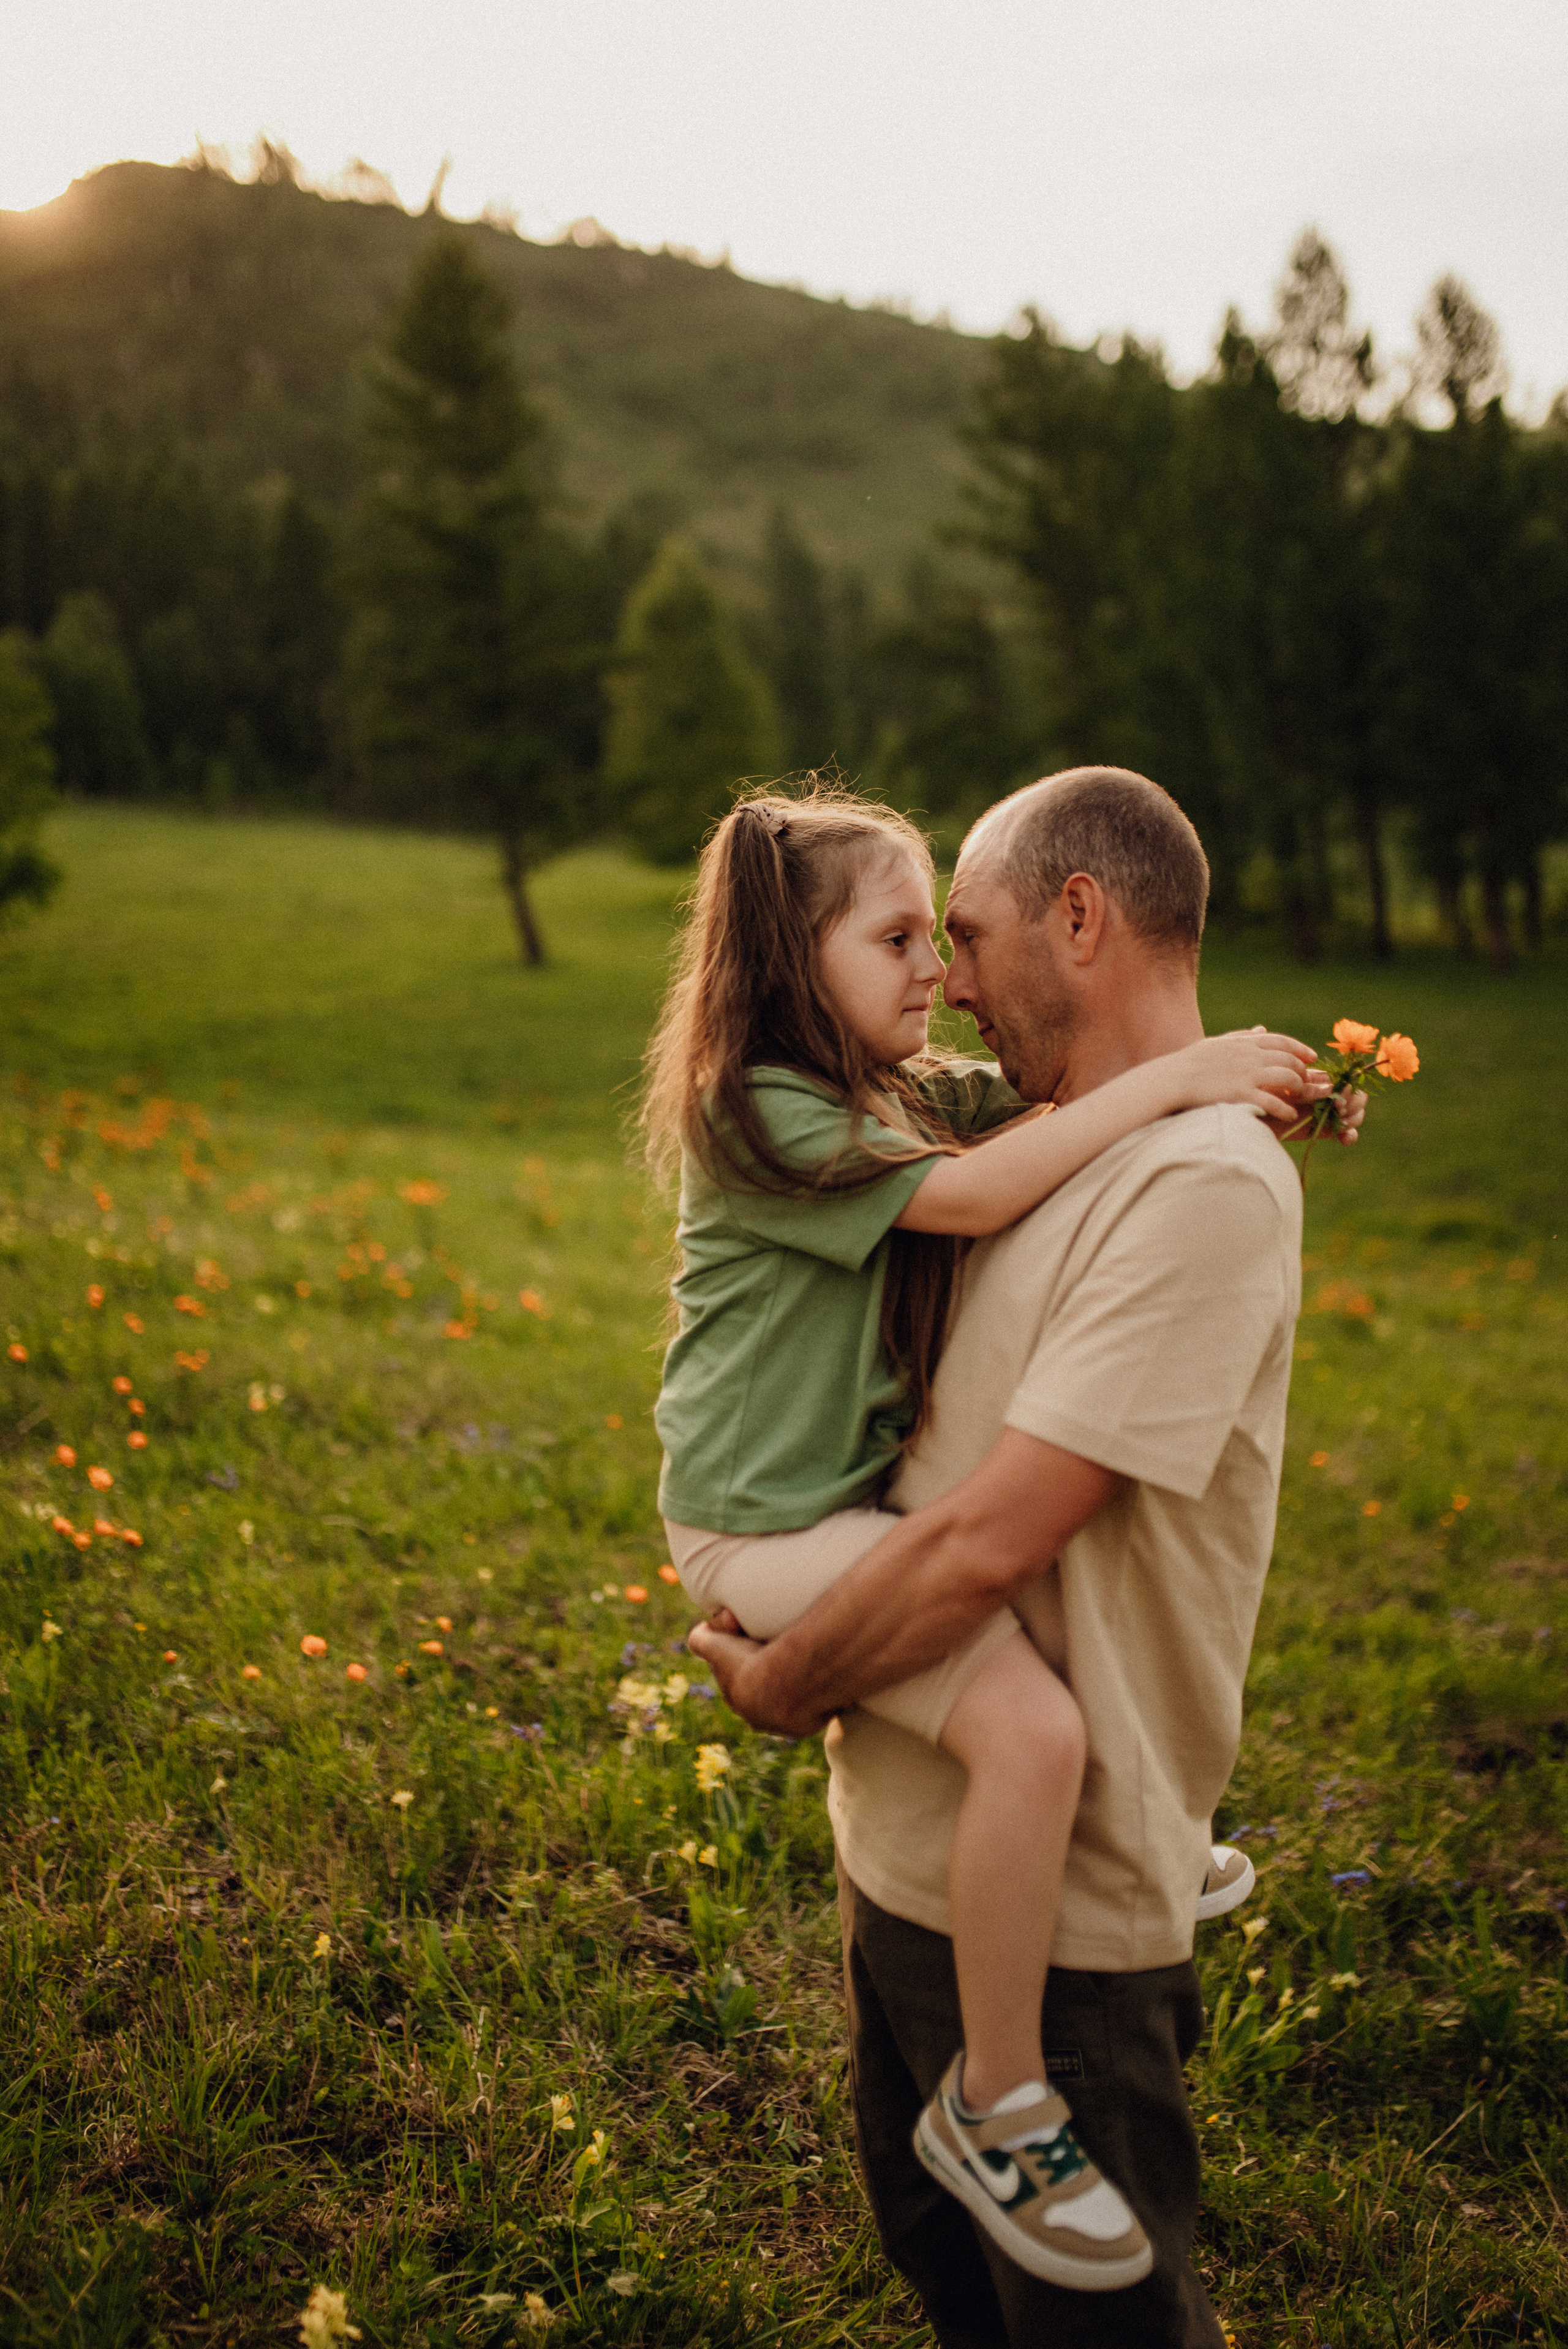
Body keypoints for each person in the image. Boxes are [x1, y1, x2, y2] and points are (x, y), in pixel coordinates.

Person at [690, 767, 1352, 2348]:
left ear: (1080, 915)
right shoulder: (997, 1131)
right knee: (962, 2304)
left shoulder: (1196, 1181)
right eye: (918, 942)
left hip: (1061, 1944)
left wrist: (791, 1684)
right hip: (908, 1868)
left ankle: (1009, 2108)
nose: (950, 982)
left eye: (964, 937)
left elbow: (992, 1537)